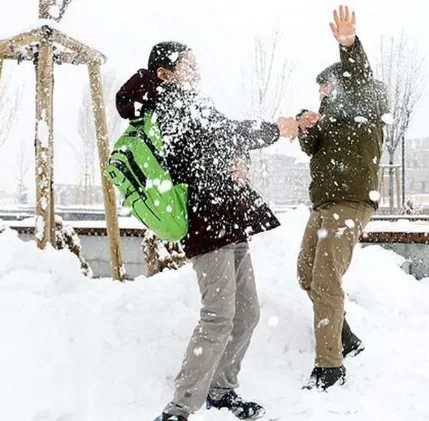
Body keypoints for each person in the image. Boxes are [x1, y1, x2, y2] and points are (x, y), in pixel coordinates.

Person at [115, 42, 299, 421]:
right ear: (165, 72)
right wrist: (274, 130)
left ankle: (221, 390)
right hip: (205, 221)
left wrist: (237, 159)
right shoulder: (168, 103)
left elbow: (217, 143)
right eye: (187, 63)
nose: (196, 68)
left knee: (247, 313)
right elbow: (222, 134)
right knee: (218, 315)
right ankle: (179, 409)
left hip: (228, 218)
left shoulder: (190, 101)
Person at [294, 5, 390, 391]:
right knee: (306, 274)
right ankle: (345, 336)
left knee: (326, 281)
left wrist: (348, 44)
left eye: (326, 86)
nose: (322, 93)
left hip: (350, 204)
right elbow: (311, 148)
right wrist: (305, 125)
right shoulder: (329, 118)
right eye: (319, 89)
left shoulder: (365, 102)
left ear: (342, 83)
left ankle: (330, 367)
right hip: (324, 205)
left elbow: (360, 76)